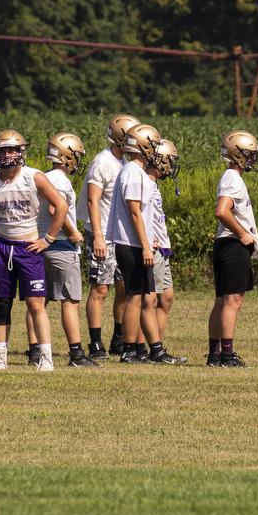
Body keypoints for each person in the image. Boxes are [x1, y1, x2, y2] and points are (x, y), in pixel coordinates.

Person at [0, 131, 71, 371]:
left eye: (11, 150)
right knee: (2, 304)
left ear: (21, 152)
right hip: (3, 247)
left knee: (36, 305)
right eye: (2, 151)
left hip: (28, 248)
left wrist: (48, 239)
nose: (7, 155)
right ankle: (0, 355)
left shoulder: (34, 177)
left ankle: (46, 356)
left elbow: (61, 206)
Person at [107, 123, 182, 364]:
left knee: (141, 297)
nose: (155, 150)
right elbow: (135, 212)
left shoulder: (136, 171)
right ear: (143, 146)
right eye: (152, 144)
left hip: (136, 243)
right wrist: (146, 246)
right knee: (135, 297)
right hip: (132, 244)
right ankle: (129, 350)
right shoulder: (132, 171)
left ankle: (155, 350)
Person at [40, 131, 98, 368]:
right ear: (66, 156)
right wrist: (72, 232)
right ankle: (76, 354)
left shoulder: (42, 176)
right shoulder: (61, 180)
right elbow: (56, 210)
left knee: (38, 301)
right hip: (61, 245)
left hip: (40, 244)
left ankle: (36, 351)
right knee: (69, 300)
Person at [84, 115, 138, 359]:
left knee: (123, 287)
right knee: (100, 289)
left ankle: (118, 338)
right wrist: (97, 236)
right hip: (102, 233)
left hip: (119, 236)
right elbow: (92, 199)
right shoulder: (102, 162)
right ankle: (95, 344)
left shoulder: (123, 160)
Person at [208, 130, 258, 367]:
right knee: (232, 302)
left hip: (225, 243)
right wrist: (243, 234)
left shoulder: (232, 177)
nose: (252, 159)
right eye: (249, 155)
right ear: (237, 155)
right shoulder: (232, 177)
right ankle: (227, 356)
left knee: (222, 302)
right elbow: (222, 211)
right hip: (232, 244)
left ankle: (215, 355)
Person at [146, 137, 185, 362]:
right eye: (169, 159)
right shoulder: (146, 184)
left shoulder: (155, 185)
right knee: (150, 300)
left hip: (163, 247)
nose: (171, 165)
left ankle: (158, 347)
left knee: (167, 298)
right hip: (153, 248)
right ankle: (153, 349)